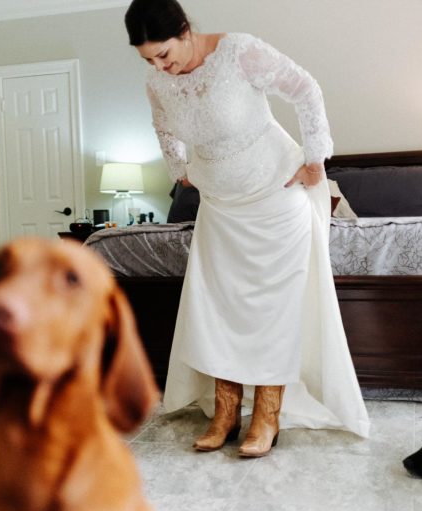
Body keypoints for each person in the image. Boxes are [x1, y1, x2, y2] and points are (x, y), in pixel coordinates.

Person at [125, 0, 370, 457]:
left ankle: (267, 416)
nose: (160, 66)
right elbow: (163, 128)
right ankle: (225, 411)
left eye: (163, 53)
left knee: (271, 310)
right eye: (149, 59)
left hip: (275, 199)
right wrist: (179, 167)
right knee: (219, 310)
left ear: (184, 30)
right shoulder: (157, 80)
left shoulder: (239, 51)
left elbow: (306, 89)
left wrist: (315, 158)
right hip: (219, 208)